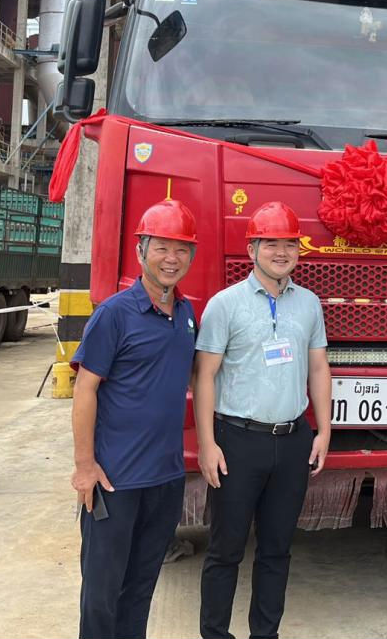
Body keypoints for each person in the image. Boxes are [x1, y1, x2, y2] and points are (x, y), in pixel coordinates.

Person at [194, 201, 332, 639]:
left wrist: (324, 431)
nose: (281, 252)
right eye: (270, 243)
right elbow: (204, 376)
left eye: (289, 244)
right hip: (237, 441)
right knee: (226, 550)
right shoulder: (225, 305)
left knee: (276, 550)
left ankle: (265, 633)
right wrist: (207, 444)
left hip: (292, 441)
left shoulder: (308, 304)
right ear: (251, 249)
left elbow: (318, 367)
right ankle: (215, 633)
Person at [70, 199, 199, 639]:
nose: (171, 258)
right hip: (115, 480)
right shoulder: (114, 314)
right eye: (161, 247)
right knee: (102, 592)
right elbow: (84, 389)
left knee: (141, 587)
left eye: (181, 249)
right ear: (141, 250)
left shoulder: (186, 315)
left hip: (165, 479)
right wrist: (85, 466)